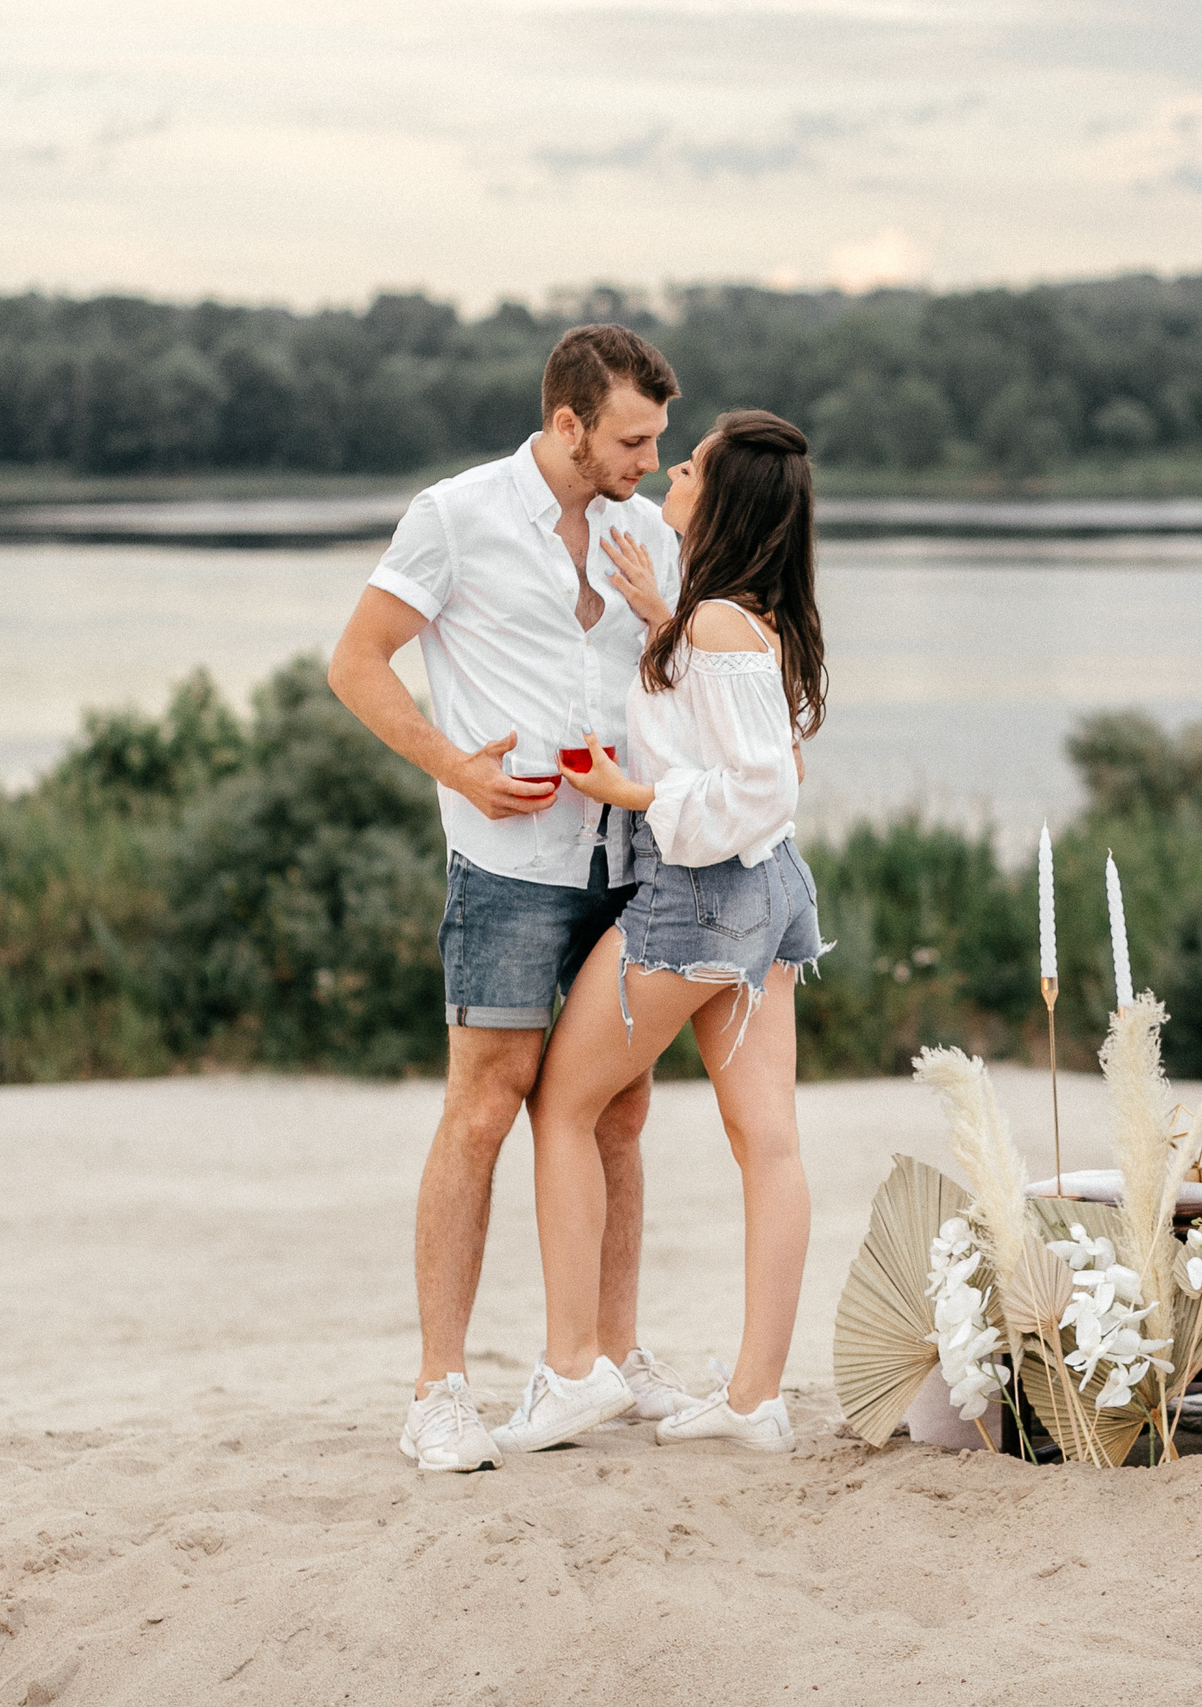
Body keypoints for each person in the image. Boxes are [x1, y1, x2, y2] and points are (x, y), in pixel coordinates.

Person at [326, 324, 701, 1473]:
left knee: (620, 1112)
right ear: (568, 423)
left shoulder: (645, 531)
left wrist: (659, 619)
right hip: (508, 870)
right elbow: (355, 662)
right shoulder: (457, 514)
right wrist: (461, 771)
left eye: (659, 441)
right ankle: (440, 1392)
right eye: (632, 439)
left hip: (631, 862)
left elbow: (682, 680)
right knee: (485, 1108)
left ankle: (610, 1361)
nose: (648, 460)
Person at [494, 409, 828, 1456]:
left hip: (697, 898)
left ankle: (574, 1366)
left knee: (562, 1106)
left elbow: (764, 783)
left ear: (717, 501)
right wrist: (657, 616)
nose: (669, 472)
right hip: (765, 894)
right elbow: (758, 749)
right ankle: (753, 1397)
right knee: (764, 1139)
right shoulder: (734, 619)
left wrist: (628, 791)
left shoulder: (721, 624)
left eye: (688, 466)